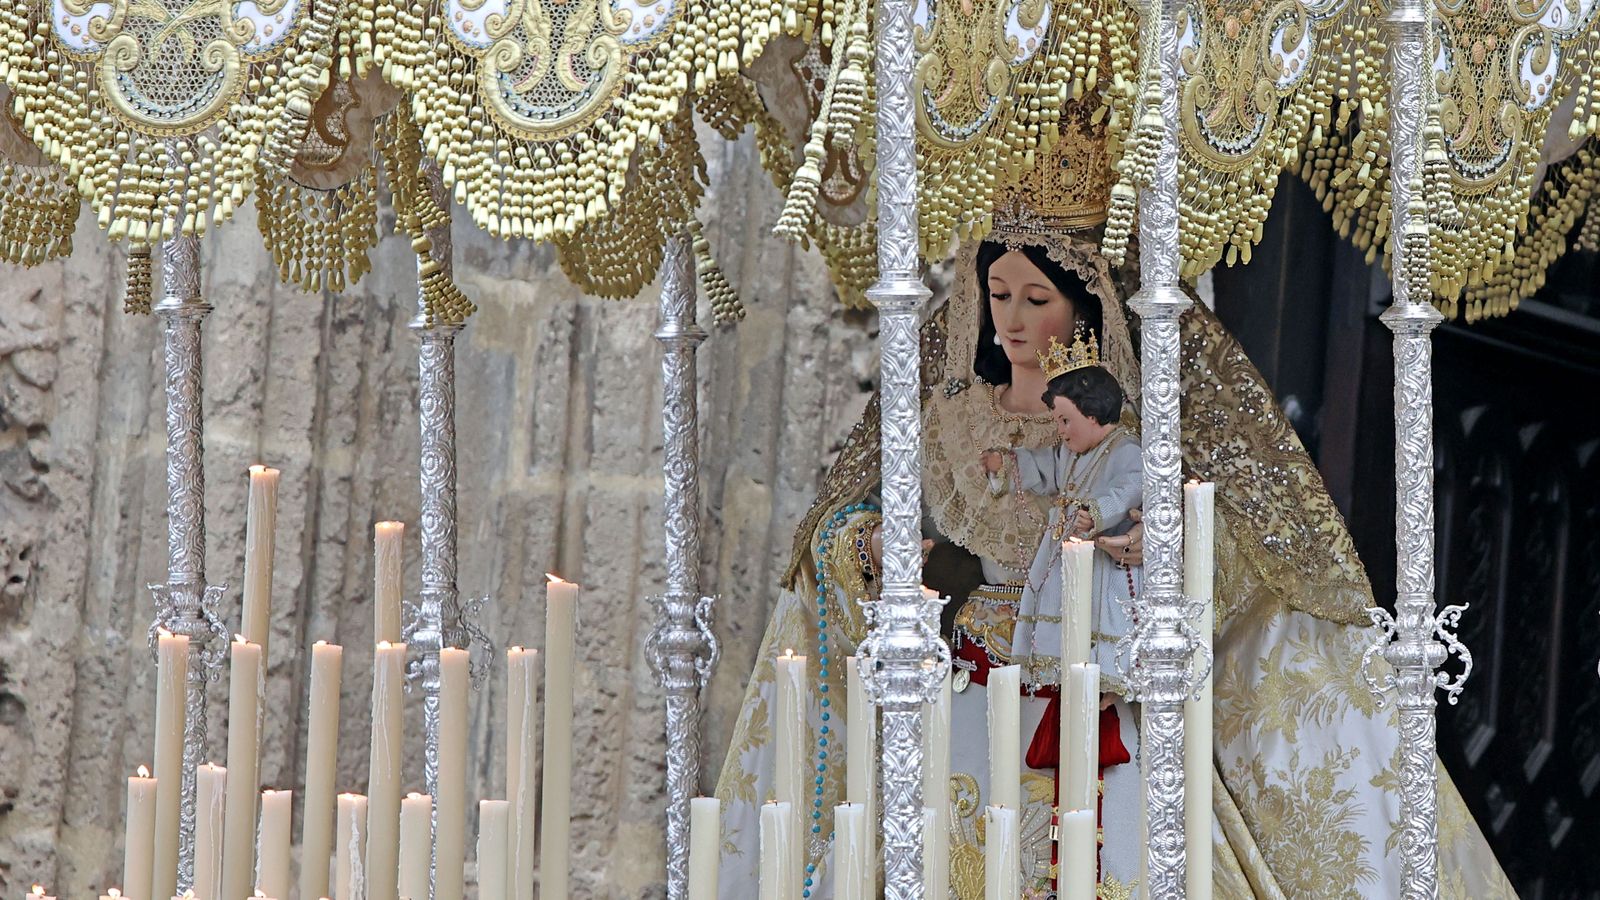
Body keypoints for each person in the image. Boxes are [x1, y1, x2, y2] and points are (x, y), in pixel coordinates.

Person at [712, 179, 1516, 899]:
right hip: (964, 691)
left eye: (1037, 297)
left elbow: (1215, 555)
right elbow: (853, 526)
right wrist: (878, 547)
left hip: (1098, 686)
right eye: (998, 293)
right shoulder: (952, 420)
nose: (1014, 319)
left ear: (1084, 304)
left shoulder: (1126, 438)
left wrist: (1151, 547)